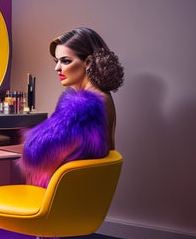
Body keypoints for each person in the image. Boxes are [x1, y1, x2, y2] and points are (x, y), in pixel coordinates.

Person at [19, 27, 124, 187]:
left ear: (88, 62)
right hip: (83, 191)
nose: (57, 68)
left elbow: (36, 153)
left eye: (65, 61)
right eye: (57, 61)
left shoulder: (85, 108)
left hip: (65, 196)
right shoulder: (104, 96)